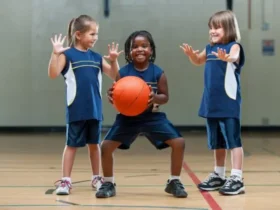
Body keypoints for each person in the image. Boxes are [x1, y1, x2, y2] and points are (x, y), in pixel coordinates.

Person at [95, 30, 188, 199]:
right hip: (128, 118)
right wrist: (112, 96)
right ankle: (108, 183)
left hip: (152, 117)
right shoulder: (123, 73)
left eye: (144, 46)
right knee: (106, 146)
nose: (140, 49)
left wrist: (154, 98)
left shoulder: (158, 72)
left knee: (179, 142)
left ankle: (174, 181)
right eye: (135, 46)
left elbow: (165, 97)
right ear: (129, 51)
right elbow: (116, 95)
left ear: (151, 50)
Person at [48, 14, 123, 195]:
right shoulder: (67, 55)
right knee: (71, 145)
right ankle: (65, 181)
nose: (95, 38)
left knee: (94, 145)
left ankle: (97, 177)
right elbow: (52, 73)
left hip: (95, 110)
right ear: (79, 35)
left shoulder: (96, 57)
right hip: (76, 109)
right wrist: (55, 53)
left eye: (96, 34)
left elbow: (116, 77)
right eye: (92, 34)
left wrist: (113, 61)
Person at [180, 10, 245, 195]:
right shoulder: (209, 49)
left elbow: (234, 56)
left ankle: (237, 177)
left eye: (217, 27)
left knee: (233, 142)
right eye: (211, 28)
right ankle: (219, 174)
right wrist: (191, 55)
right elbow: (199, 61)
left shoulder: (234, 46)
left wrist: (228, 59)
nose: (212, 31)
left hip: (228, 104)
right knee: (217, 142)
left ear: (229, 28)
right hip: (210, 104)